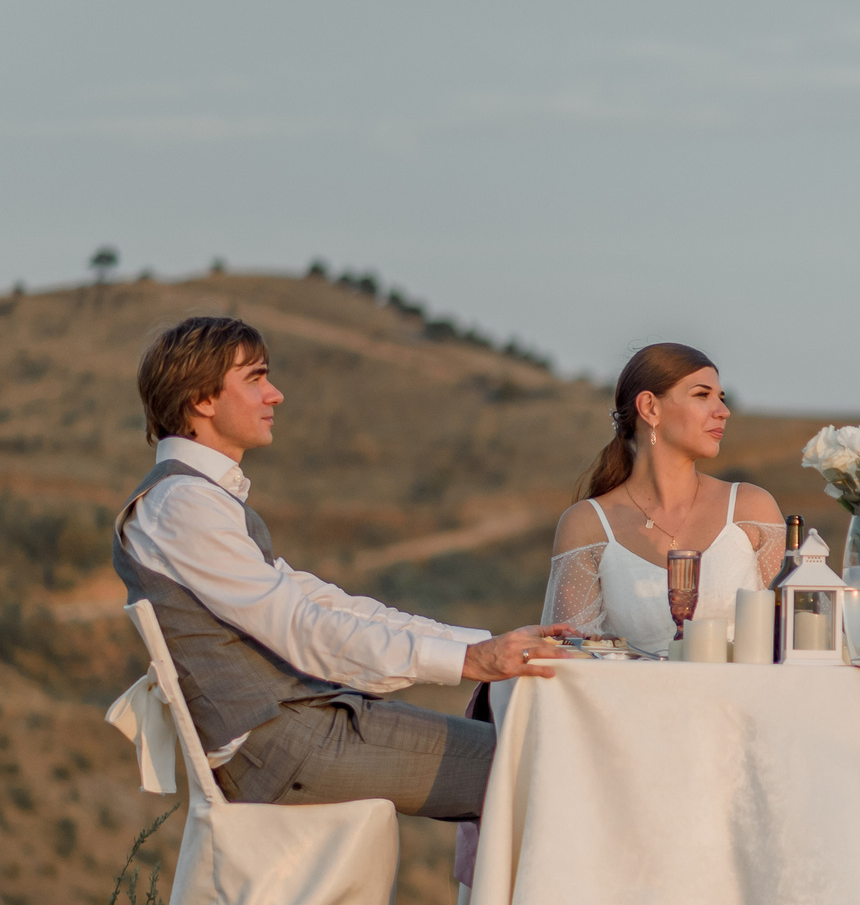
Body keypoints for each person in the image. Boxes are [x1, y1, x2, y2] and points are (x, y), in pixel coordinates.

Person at [114, 317, 570, 820]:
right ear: (202, 398)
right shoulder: (184, 504)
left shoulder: (196, 498)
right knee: (547, 766)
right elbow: (302, 629)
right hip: (281, 744)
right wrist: (470, 661)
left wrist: (478, 646)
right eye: (256, 378)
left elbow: (321, 602)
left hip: (302, 725)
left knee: (540, 756)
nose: (276, 394)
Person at [541, 344, 786, 654]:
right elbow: (572, 654)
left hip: (744, 700)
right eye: (702, 395)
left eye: (721, 399)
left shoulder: (751, 508)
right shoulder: (587, 524)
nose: (723, 411)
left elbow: (795, 636)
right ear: (650, 408)